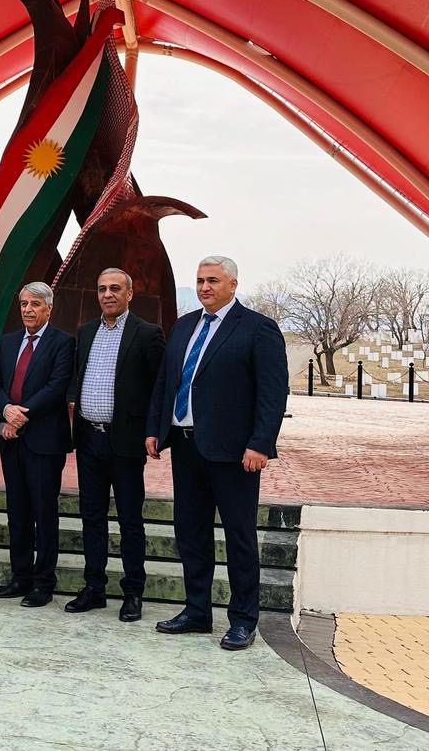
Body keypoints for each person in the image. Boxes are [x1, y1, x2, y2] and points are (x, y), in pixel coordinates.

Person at [145, 256, 288, 650]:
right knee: (190, 533)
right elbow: (166, 382)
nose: (205, 287)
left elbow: (273, 392)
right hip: (185, 445)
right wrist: (155, 429)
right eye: (200, 281)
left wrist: (260, 443)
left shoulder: (257, 328)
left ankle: (243, 620)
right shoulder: (184, 326)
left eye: (213, 280)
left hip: (234, 453)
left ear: (233, 285)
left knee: (239, 537)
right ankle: (196, 611)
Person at [65, 268, 165, 621]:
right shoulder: (85, 331)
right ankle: (94, 588)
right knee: (91, 517)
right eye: (102, 288)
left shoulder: (147, 333)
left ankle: (133, 592)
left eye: (115, 288)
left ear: (129, 293)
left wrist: (154, 431)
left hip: (126, 443)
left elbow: (159, 388)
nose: (107, 294)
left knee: (130, 520)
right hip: (89, 439)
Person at [0, 282, 74, 608]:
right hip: (11, 442)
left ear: (49, 307)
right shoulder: (8, 342)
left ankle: (43, 583)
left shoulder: (63, 343)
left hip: (44, 442)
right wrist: (6, 409)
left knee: (44, 513)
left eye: (35, 304)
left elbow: (56, 387)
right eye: (24, 303)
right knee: (17, 512)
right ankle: (20, 576)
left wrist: (19, 416)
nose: (28, 309)